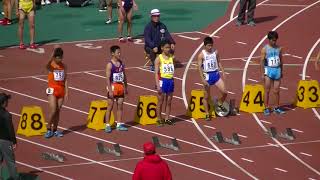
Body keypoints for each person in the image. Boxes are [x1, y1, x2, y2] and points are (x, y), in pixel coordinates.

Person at [197, 36, 228, 121]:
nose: (210, 47)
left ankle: (220, 103)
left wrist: (223, 72)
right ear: (205, 45)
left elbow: (219, 62)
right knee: (206, 97)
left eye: (211, 45)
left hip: (216, 75)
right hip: (207, 76)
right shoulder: (201, 55)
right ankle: (207, 114)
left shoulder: (215, 52)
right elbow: (199, 68)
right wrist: (202, 79)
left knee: (225, 92)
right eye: (209, 46)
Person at [44, 47, 69, 138]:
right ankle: (48, 128)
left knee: (58, 111)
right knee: (53, 110)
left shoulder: (64, 66)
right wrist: (52, 56)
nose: (60, 59)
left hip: (61, 90)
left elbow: (65, 79)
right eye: (58, 57)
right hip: (52, 90)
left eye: (61, 57)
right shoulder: (51, 65)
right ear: (54, 57)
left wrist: (67, 92)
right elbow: (46, 65)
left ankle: (55, 130)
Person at [104, 45, 128, 133]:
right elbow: (107, 79)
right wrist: (110, 90)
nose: (119, 54)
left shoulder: (121, 63)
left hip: (120, 86)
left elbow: (124, 75)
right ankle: (107, 125)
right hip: (113, 86)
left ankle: (119, 124)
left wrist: (126, 86)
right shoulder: (109, 65)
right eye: (118, 52)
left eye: (120, 52)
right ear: (112, 53)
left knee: (120, 105)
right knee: (110, 106)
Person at [261, 31, 285, 115]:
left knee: (276, 91)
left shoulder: (279, 48)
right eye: (273, 40)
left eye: (275, 40)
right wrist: (263, 73)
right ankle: (266, 108)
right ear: (269, 39)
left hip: (277, 70)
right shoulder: (265, 49)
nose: (274, 42)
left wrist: (281, 71)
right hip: (268, 71)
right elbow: (262, 62)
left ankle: (276, 107)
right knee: (267, 90)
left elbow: (281, 60)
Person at [155, 40, 175, 126]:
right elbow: (156, 73)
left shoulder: (171, 57)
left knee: (169, 101)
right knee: (160, 101)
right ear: (162, 48)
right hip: (162, 81)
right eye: (166, 47)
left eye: (169, 47)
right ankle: (159, 119)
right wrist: (158, 85)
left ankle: (167, 118)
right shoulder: (158, 58)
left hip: (170, 81)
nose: (168, 49)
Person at [0, 93, 19, 180]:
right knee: (10, 161)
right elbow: (10, 129)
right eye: (7, 100)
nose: (8, 102)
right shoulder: (6, 115)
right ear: (3, 102)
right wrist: (14, 142)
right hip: (5, 141)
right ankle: (15, 178)